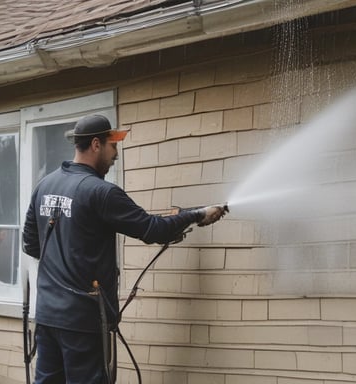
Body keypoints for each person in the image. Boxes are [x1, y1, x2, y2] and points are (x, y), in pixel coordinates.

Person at [22, 114, 226, 384]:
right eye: (113, 145)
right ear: (96, 144)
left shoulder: (44, 186)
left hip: (47, 316)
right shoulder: (101, 192)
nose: (115, 153)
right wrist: (197, 214)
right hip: (83, 321)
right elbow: (153, 229)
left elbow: (31, 243)